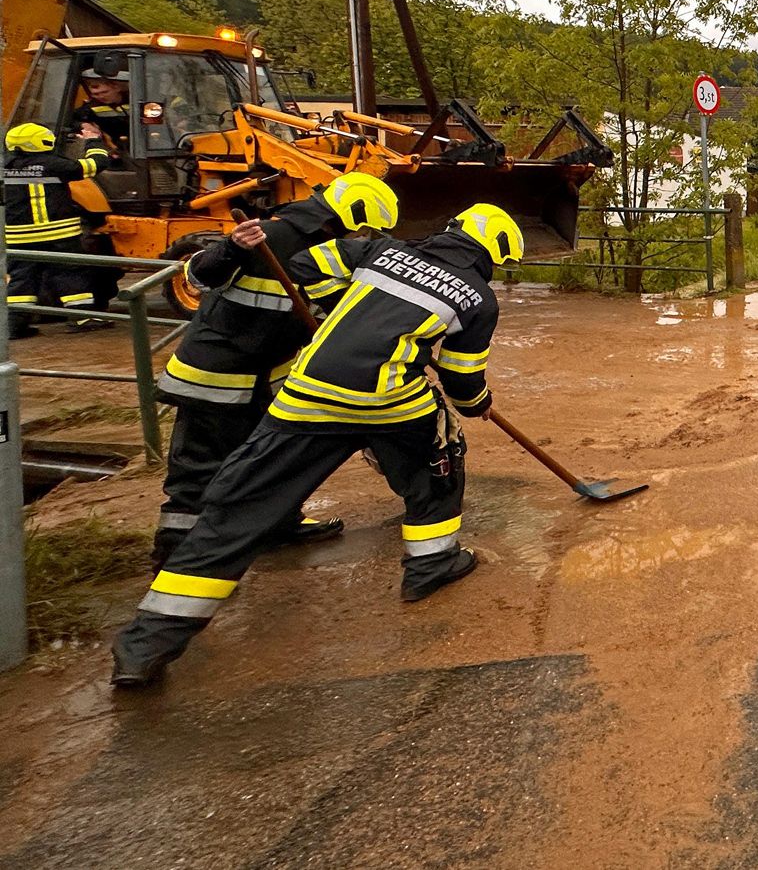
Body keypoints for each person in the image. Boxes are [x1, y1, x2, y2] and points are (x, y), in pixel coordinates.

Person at [110, 203, 524, 689]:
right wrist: (477, 405)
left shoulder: (377, 251)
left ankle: (145, 644)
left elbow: (303, 266)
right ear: (492, 252)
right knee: (438, 463)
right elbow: (460, 377)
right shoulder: (477, 298)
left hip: (307, 395)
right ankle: (432, 565)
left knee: (240, 507)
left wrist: (347, 307)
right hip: (390, 403)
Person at [148, 173, 400, 569]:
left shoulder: (327, 253)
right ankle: (178, 553)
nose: (364, 236)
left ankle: (278, 525)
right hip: (212, 380)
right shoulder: (263, 236)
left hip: (267, 379)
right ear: (347, 217)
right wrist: (230, 248)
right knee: (198, 468)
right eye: (363, 228)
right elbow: (196, 276)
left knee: (274, 459)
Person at [4, 123, 103, 338]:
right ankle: (82, 318)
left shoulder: (5, 166)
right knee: (70, 274)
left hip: (19, 237)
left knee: (21, 281)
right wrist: (93, 141)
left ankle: (15, 326)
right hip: (60, 234)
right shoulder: (54, 164)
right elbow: (96, 164)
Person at [70, 61, 132, 167]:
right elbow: (69, 120)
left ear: (117, 88)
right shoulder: (92, 107)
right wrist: (82, 125)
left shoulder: (134, 102)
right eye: (95, 94)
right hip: (117, 150)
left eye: (104, 92)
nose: (100, 97)